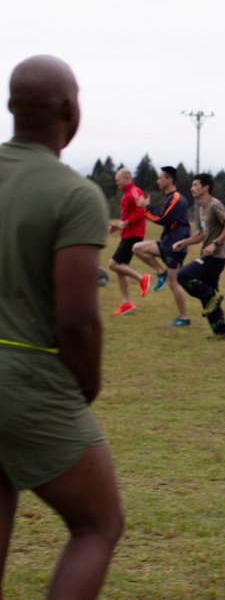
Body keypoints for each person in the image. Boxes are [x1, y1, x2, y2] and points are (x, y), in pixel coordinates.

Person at [0, 55, 123, 599]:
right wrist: (86, 386)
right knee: (98, 524)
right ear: (70, 110)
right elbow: (75, 323)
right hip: (25, 379)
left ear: (10, 107)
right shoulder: (74, 194)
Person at [173, 173, 225, 339]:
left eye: (195, 185)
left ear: (205, 187)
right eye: (192, 185)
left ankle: (212, 297)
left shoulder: (214, 205)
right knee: (209, 294)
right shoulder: (201, 208)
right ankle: (223, 331)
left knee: (183, 275)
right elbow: (201, 234)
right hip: (209, 256)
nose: (192, 188)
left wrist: (215, 244)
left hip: (216, 258)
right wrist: (183, 242)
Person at [133, 166, 191, 327]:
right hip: (167, 244)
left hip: (175, 246)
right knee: (137, 248)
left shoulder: (176, 198)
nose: (158, 181)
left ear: (169, 180)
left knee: (174, 283)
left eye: (160, 178)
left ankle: (184, 317)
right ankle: (160, 272)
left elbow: (162, 218)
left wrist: (146, 208)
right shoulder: (169, 197)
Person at [107, 167, 150, 315]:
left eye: (118, 180)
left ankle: (142, 278)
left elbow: (141, 212)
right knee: (121, 269)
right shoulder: (126, 194)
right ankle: (126, 303)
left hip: (133, 234)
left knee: (113, 264)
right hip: (127, 234)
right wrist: (118, 227)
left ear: (127, 179)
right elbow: (128, 216)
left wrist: (125, 223)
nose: (116, 183)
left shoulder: (134, 192)